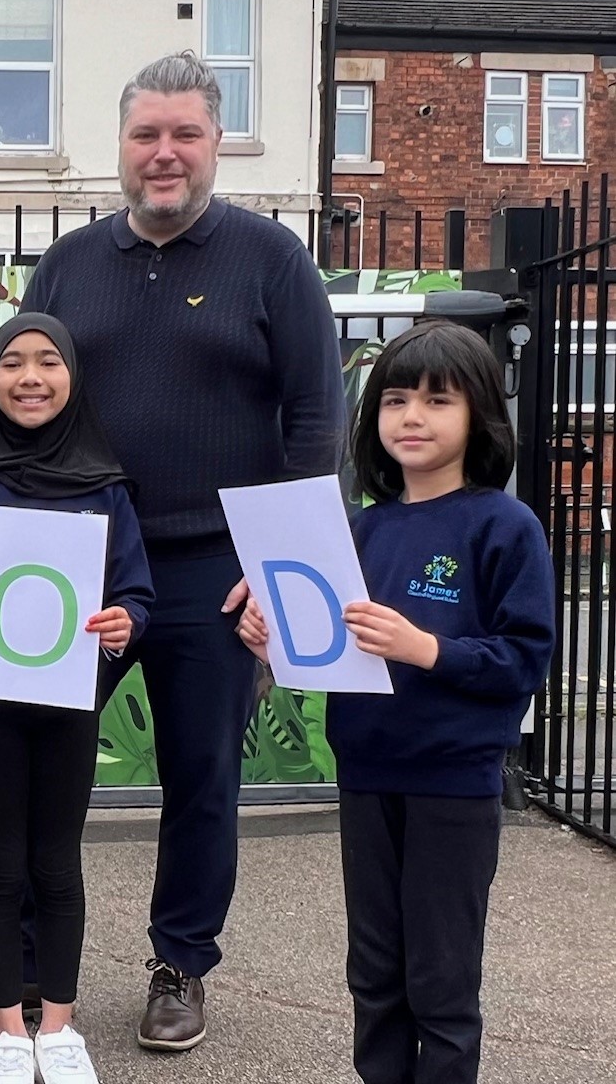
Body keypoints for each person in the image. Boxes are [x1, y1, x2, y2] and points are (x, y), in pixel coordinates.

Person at [0, 50, 345, 1051]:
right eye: (144, 134)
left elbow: (315, 416)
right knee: (26, 770)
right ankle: (14, 972)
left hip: (212, 567)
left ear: (214, 142)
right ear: (120, 146)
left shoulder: (271, 258)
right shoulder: (68, 262)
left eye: (184, 134)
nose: (163, 154)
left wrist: (277, 567)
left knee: (200, 768)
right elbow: (26, 399)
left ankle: (179, 961)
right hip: (74, 560)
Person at [237, 321, 555, 1084]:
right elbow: (325, 644)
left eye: (437, 400)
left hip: (454, 783)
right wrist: (269, 641)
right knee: (375, 975)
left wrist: (428, 648)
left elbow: (525, 658)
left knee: (441, 981)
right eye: (396, 400)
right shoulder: (361, 529)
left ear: (478, 415)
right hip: (368, 774)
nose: (412, 416)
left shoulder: (504, 526)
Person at [0, 314, 155, 1084]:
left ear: (73, 377)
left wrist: (125, 622)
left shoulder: (106, 489)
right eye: (12, 363)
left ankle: (60, 1026)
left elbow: (137, 595)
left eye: (48, 362)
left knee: (57, 863)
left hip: (68, 708)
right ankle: (8, 1028)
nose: (30, 377)